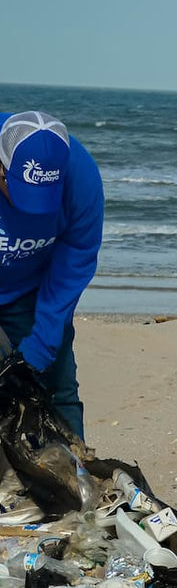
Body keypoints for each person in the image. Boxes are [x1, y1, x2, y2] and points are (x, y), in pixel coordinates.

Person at [0, 111, 104, 439]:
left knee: (58, 387)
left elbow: (73, 265)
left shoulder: (81, 178)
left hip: (30, 289)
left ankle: (77, 479)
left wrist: (36, 353)